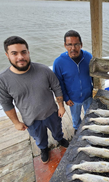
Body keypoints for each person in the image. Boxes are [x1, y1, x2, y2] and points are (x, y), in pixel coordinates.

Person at [0, 36, 69, 164]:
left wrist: (61, 106)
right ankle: (43, 149)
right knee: (39, 138)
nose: (20, 57)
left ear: (28, 52)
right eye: (14, 53)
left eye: (23, 52)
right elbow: (6, 103)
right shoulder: (3, 80)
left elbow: (56, 87)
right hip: (31, 119)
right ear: (7, 55)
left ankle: (60, 139)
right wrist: (16, 122)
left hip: (52, 113)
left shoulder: (43, 70)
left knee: (57, 130)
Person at [53, 30, 93, 134]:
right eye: (69, 45)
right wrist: (66, 97)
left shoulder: (89, 57)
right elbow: (59, 83)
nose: (73, 48)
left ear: (81, 45)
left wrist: (94, 91)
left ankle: (89, 127)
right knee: (75, 118)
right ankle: (77, 129)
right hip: (73, 99)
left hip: (88, 95)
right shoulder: (58, 62)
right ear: (65, 45)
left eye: (76, 44)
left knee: (90, 115)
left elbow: (94, 76)